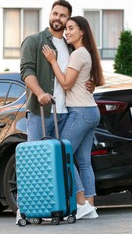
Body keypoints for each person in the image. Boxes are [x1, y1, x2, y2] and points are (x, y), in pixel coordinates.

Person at [18, 0, 94, 224]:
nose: (58, 18)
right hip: (41, 112)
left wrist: (91, 84)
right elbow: (26, 71)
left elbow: (80, 74)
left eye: (63, 16)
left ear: (68, 19)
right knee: (35, 162)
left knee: (61, 160)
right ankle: (25, 210)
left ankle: (67, 205)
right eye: (55, 13)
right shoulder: (35, 41)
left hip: (67, 113)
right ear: (50, 14)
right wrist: (40, 92)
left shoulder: (71, 45)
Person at [42, 15, 105, 220]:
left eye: (71, 28)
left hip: (80, 111)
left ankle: (80, 203)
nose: (67, 32)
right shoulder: (87, 53)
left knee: (63, 154)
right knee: (84, 161)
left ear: (82, 31)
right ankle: (90, 206)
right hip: (91, 111)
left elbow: (66, 84)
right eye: (66, 28)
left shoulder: (78, 54)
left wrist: (52, 61)